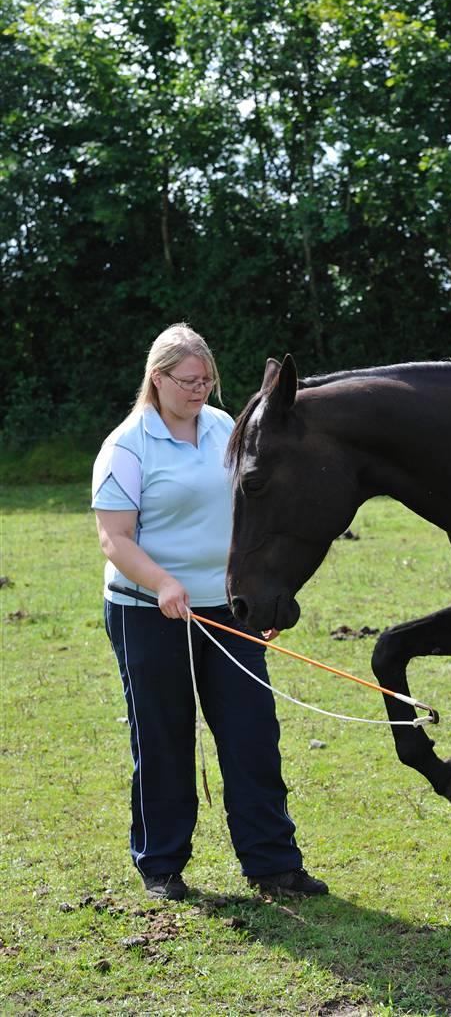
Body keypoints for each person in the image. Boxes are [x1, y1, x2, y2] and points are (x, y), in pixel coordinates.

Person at [91, 323, 327, 901]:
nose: (200, 390)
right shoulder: (127, 446)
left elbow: (251, 513)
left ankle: (273, 865)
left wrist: (257, 595)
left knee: (252, 733)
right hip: (148, 611)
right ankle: (162, 866)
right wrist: (163, 583)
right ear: (158, 378)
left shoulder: (225, 428)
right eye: (188, 380)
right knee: (164, 734)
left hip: (227, 610)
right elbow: (114, 539)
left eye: (207, 380)